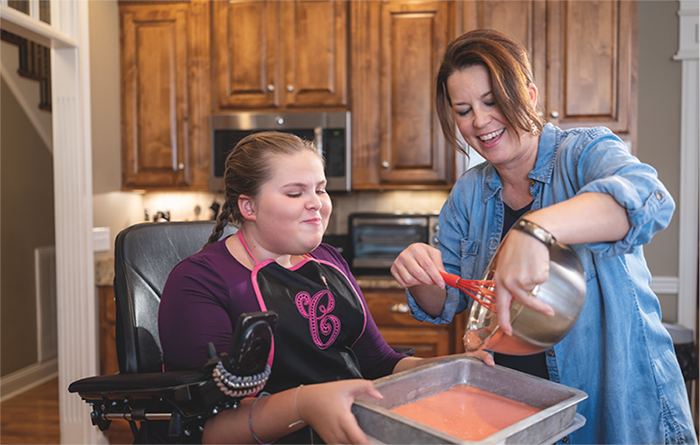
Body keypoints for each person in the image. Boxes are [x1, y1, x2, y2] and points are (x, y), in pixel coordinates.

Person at [390, 28, 697, 445]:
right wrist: (423, 274)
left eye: (492, 101)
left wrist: (536, 231)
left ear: (529, 95)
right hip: (523, 415)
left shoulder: (584, 152)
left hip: (622, 409)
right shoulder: (468, 192)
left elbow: (649, 199)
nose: (479, 122)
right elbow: (446, 302)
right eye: (463, 110)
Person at [146, 131, 492, 445]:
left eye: (320, 189)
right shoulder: (199, 281)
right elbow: (212, 428)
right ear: (248, 206)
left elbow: (379, 364)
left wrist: (459, 369)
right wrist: (305, 404)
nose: (317, 204)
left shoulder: (327, 260)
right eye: (295, 193)